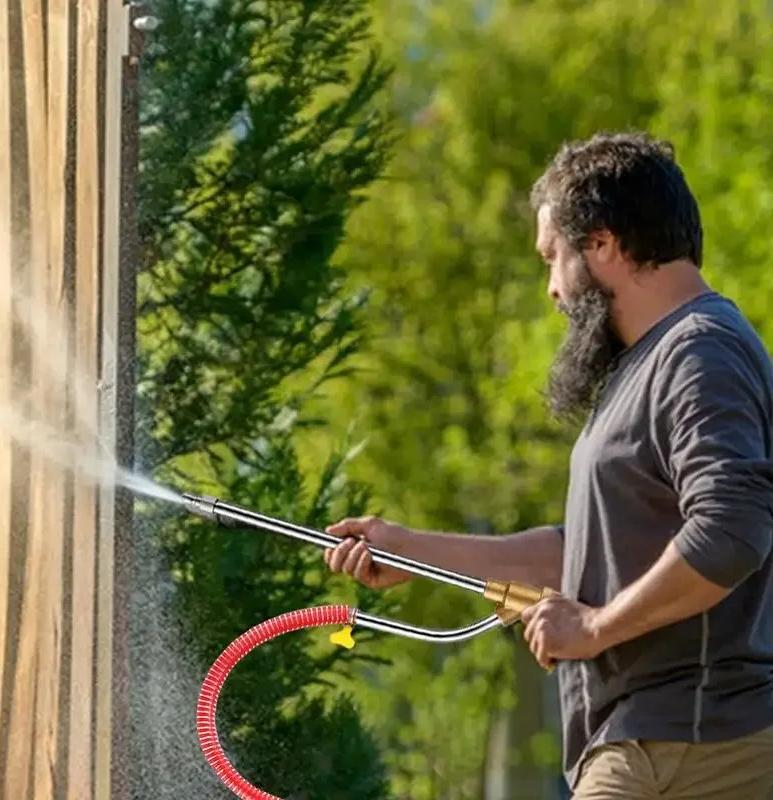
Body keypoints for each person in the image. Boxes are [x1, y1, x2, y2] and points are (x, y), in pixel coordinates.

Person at [324, 131, 773, 799]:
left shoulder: (697, 352)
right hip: (650, 742)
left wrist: (594, 628)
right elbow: (582, 558)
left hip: (687, 743)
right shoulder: (650, 363)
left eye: (552, 259)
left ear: (604, 244)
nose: (551, 289)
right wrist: (410, 549)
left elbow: (731, 531)